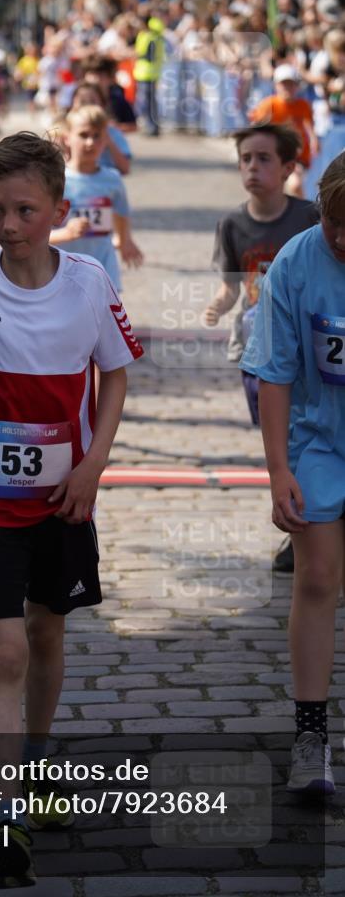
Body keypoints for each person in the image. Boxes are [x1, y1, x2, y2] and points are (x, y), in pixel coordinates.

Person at [0, 132, 143, 887]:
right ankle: (0, 817)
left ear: (57, 208)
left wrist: (92, 463)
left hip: (63, 500)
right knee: (6, 651)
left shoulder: (86, 284)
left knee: (46, 634)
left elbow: (114, 378)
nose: (8, 224)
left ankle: (38, 766)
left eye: (23, 209)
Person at [239, 150, 344, 797]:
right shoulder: (296, 263)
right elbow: (273, 372)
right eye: (336, 225)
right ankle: (309, 735)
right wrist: (277, 469)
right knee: (318, 579)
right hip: (316, 439)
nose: (343, 240)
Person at [202, 123, 320, 572]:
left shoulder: (310, 217)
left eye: (264, 158)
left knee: (300, 437)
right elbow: (232, 286)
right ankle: (300, 514)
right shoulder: (232, 224)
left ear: (289, 167)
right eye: (246, 159)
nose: (253, 167)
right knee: (279, 440)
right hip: (257, 350)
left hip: (306, 352)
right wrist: (217, 306)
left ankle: (307, 528)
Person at [50, 105, 143, 293]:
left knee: (102, 320)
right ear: (67, 137)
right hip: (62, 271)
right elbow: (36, 234)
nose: (91, 142)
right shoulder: (55, 180)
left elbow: (121, 213)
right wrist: (66, 234)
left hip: (103, 268)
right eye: (83, 135)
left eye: (97, 135)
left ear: (106, 139)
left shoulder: (112, 179)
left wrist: (125, 241)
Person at [249, 64, 319, 198]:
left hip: (297, 155)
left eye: (291, 84)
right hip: (273, 154)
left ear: (297, 86)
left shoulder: (303, 105)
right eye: (284, 84)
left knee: (295, 184)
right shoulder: (268, 105)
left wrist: (314, 140)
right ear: (276, 85)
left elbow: (309, 125)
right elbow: (255, 127)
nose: (288, 88)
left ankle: (306, 214)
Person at [133, 8, 164, 136]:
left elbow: (140, 53)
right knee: (152, 102)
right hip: (154, 72)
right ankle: (154, 126)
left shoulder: (145, 36)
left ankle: (148, 126)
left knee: (144, 101)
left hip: (144, 72)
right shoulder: (158, 37)